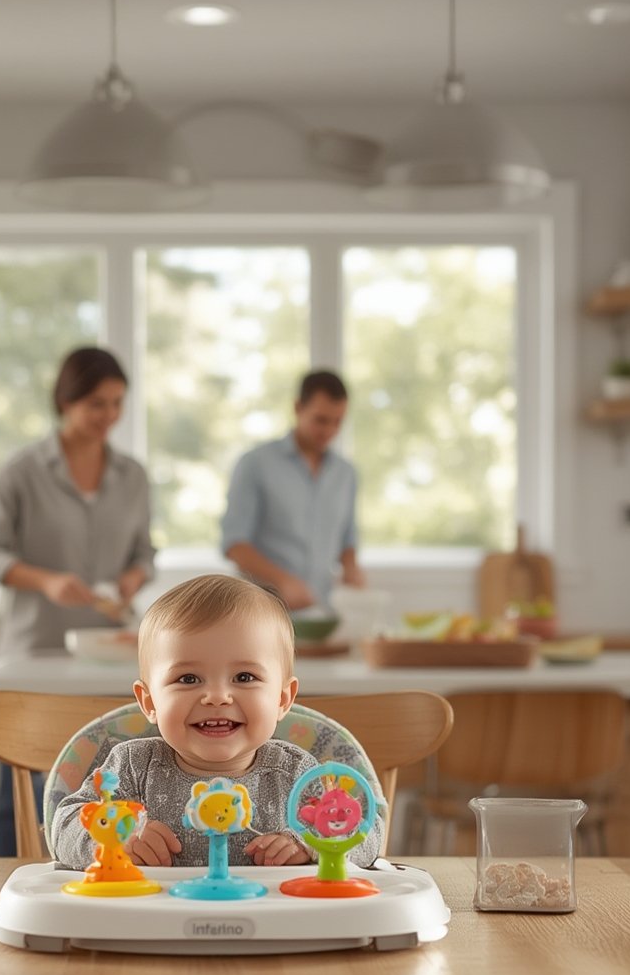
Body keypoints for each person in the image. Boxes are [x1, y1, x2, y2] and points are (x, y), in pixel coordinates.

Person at [51, 574, 385, 871]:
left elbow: (368, 833)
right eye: (188, 678)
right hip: (151, 927)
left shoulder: (296, 773)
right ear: (150, 702)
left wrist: (312, 844)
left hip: (275, 929)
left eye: (244, 676)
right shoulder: (132, 768)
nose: (217, 697)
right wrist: (115, 840)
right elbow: (63, 825)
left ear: (282, 699)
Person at [0, 345, 155, 855]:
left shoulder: (133, 477)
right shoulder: (22, 471)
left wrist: (132, 577)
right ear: (66, 401)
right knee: (21, 783)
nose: (109, 416)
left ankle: (104, 866)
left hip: (111, 652)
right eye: (97, 403)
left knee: (107, 774)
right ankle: (8, 878)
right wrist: (46, 581)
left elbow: (145, 552)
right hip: (36, 649)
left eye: (118, 403)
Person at [221, 369, 367, 611]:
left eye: (338, 421)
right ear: (298, 408)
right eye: (321, 420)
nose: (329, 431)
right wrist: (282, 581)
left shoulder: (346, 474)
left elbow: (348, 538)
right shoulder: (255, 464)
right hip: (259, 613)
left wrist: (351, 569)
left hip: (320, 613)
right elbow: (234, 544)